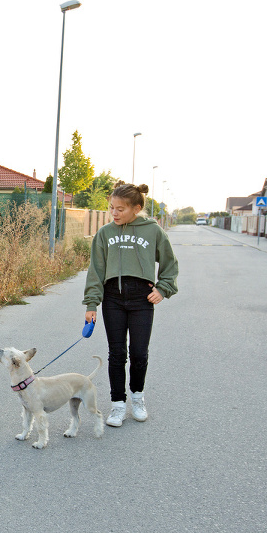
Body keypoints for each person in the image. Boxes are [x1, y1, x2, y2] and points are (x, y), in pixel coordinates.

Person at [83, 182, 178, 427]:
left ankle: (137, 398)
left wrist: (163, 288)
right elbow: (96, 270)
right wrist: (92, 304)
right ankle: (118, 404)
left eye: (120, 209)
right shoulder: (104, 233)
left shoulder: (153, 231)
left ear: (136, 208)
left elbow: (170, 263)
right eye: (111, 208)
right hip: (113, 297)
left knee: (138, 353)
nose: (114, 213)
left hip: (141, 299)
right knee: (117, 354)